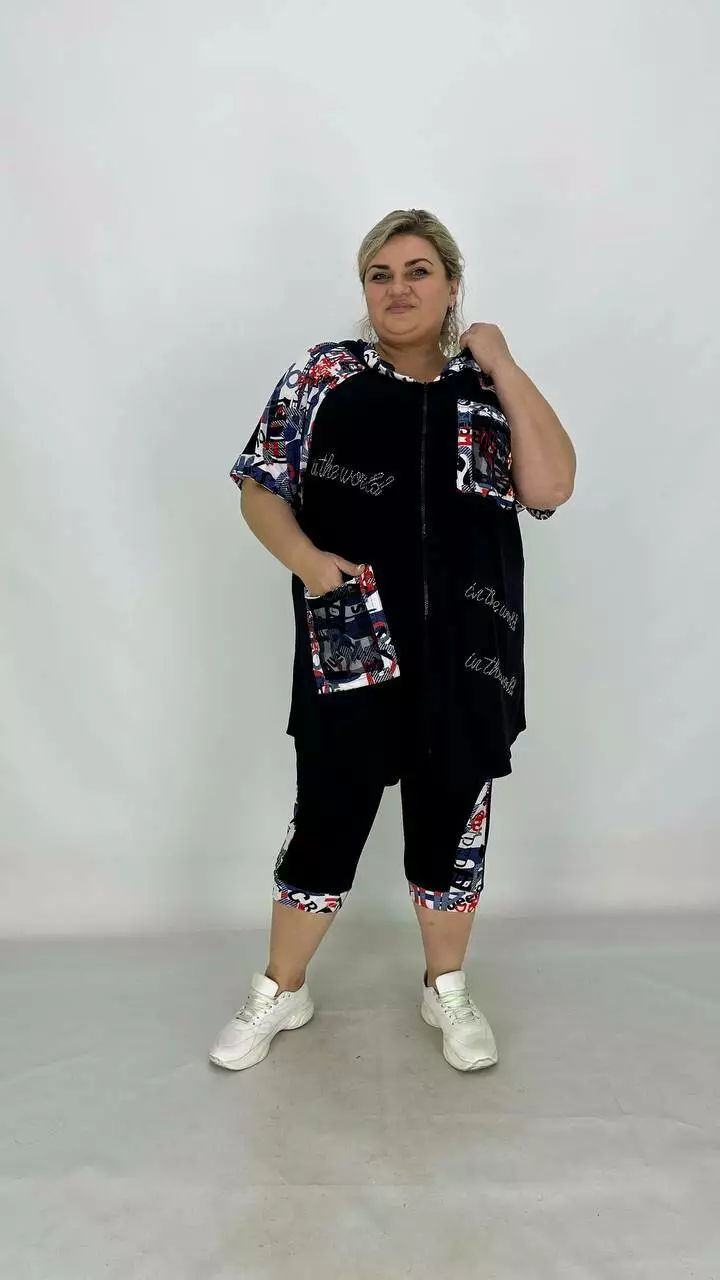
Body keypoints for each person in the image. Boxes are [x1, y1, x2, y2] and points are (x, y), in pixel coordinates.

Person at [211, 208, 575, 1074]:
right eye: (380, 274)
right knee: (325, 820)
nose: (397, 288)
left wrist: (504, 362)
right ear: (364, 290)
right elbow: (262, 486)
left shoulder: (486, 390)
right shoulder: (324, 375)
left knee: (452, 824)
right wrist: (310, 565)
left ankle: (445, 986)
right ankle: (282, 989)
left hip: (470, 651)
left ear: (451, 286)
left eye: (418, 271)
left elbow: (551, 486)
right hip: (351, 641)